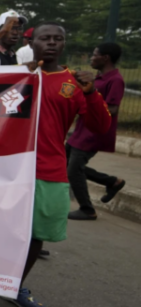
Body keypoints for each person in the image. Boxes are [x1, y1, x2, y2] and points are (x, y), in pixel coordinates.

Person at [0, 23, 110, 307]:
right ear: (33, 43)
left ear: (64, 44)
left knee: (36, 234)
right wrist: (22, 82)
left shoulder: (75, 83)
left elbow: (101, 127)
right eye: (46, 38)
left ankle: (14, 285)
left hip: (50, 169)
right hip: (10, 167)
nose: (52, 43)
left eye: (58, 38)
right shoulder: (21, 76)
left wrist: (93, 93)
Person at [66, 42, 126, 220]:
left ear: (105, 58)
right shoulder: (97, 78)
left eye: (94, 54)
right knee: (64, 161)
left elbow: (113, 109)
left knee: (73, 170)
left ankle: (87, 209)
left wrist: (90, 103)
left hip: (94, 133)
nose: (91, 58)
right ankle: (111, 182)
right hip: (81, 130)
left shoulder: (115, 80)